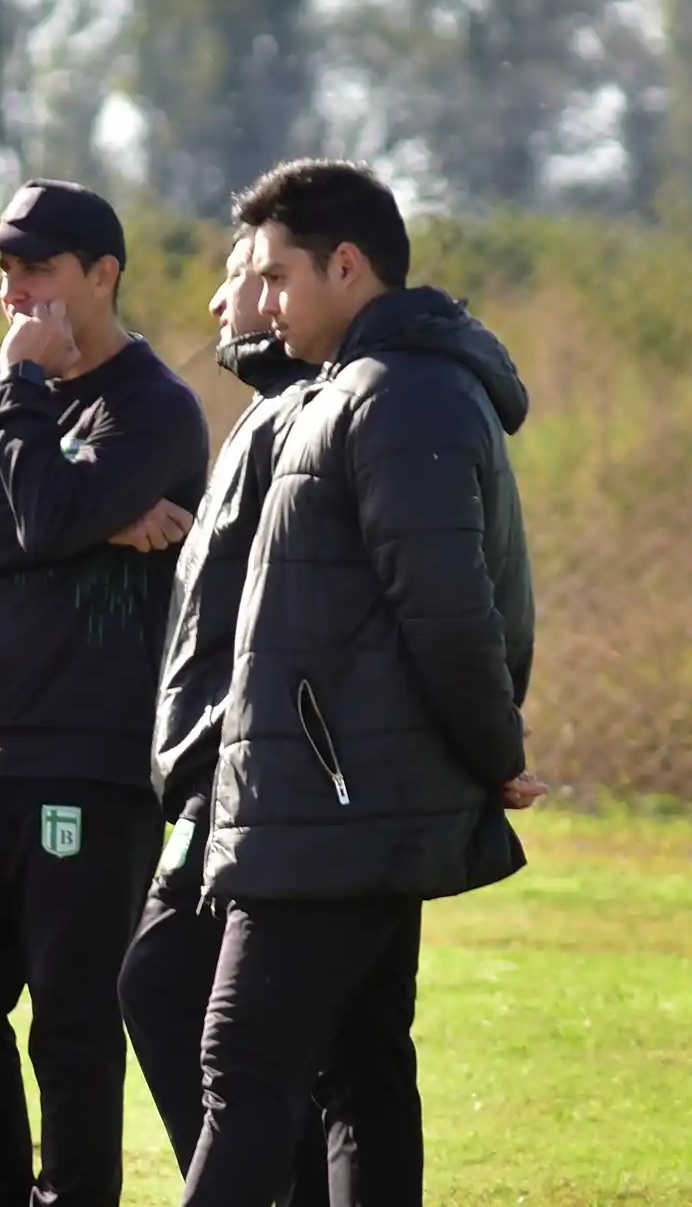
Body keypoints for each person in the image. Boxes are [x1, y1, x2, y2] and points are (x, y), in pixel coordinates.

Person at [180, 158, 546, 1207]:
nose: (266, 303)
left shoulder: (402, 397)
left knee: (244, 1065)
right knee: (361, 1069)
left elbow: (449, 605)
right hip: (340, 803)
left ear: (349, 267)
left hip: (334, 807)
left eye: (280, 278)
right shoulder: (351, 391)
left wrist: (497, 755)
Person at [0, 177, 211, 1207]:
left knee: (74, 1024)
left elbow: (34, 519)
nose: (14, 292)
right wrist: (95, 519)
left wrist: (32, 410)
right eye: (5, 270)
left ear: (102, 274)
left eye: (36, 268)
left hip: (87, 756)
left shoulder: (157, 409)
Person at [116, 227, 330, 1206]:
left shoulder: (315, 416)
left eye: (245, 278)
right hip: (223, 773)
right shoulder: (268, 413)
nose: (221, 303)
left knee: (175, 988)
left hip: (266, 777)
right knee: (182, 995)